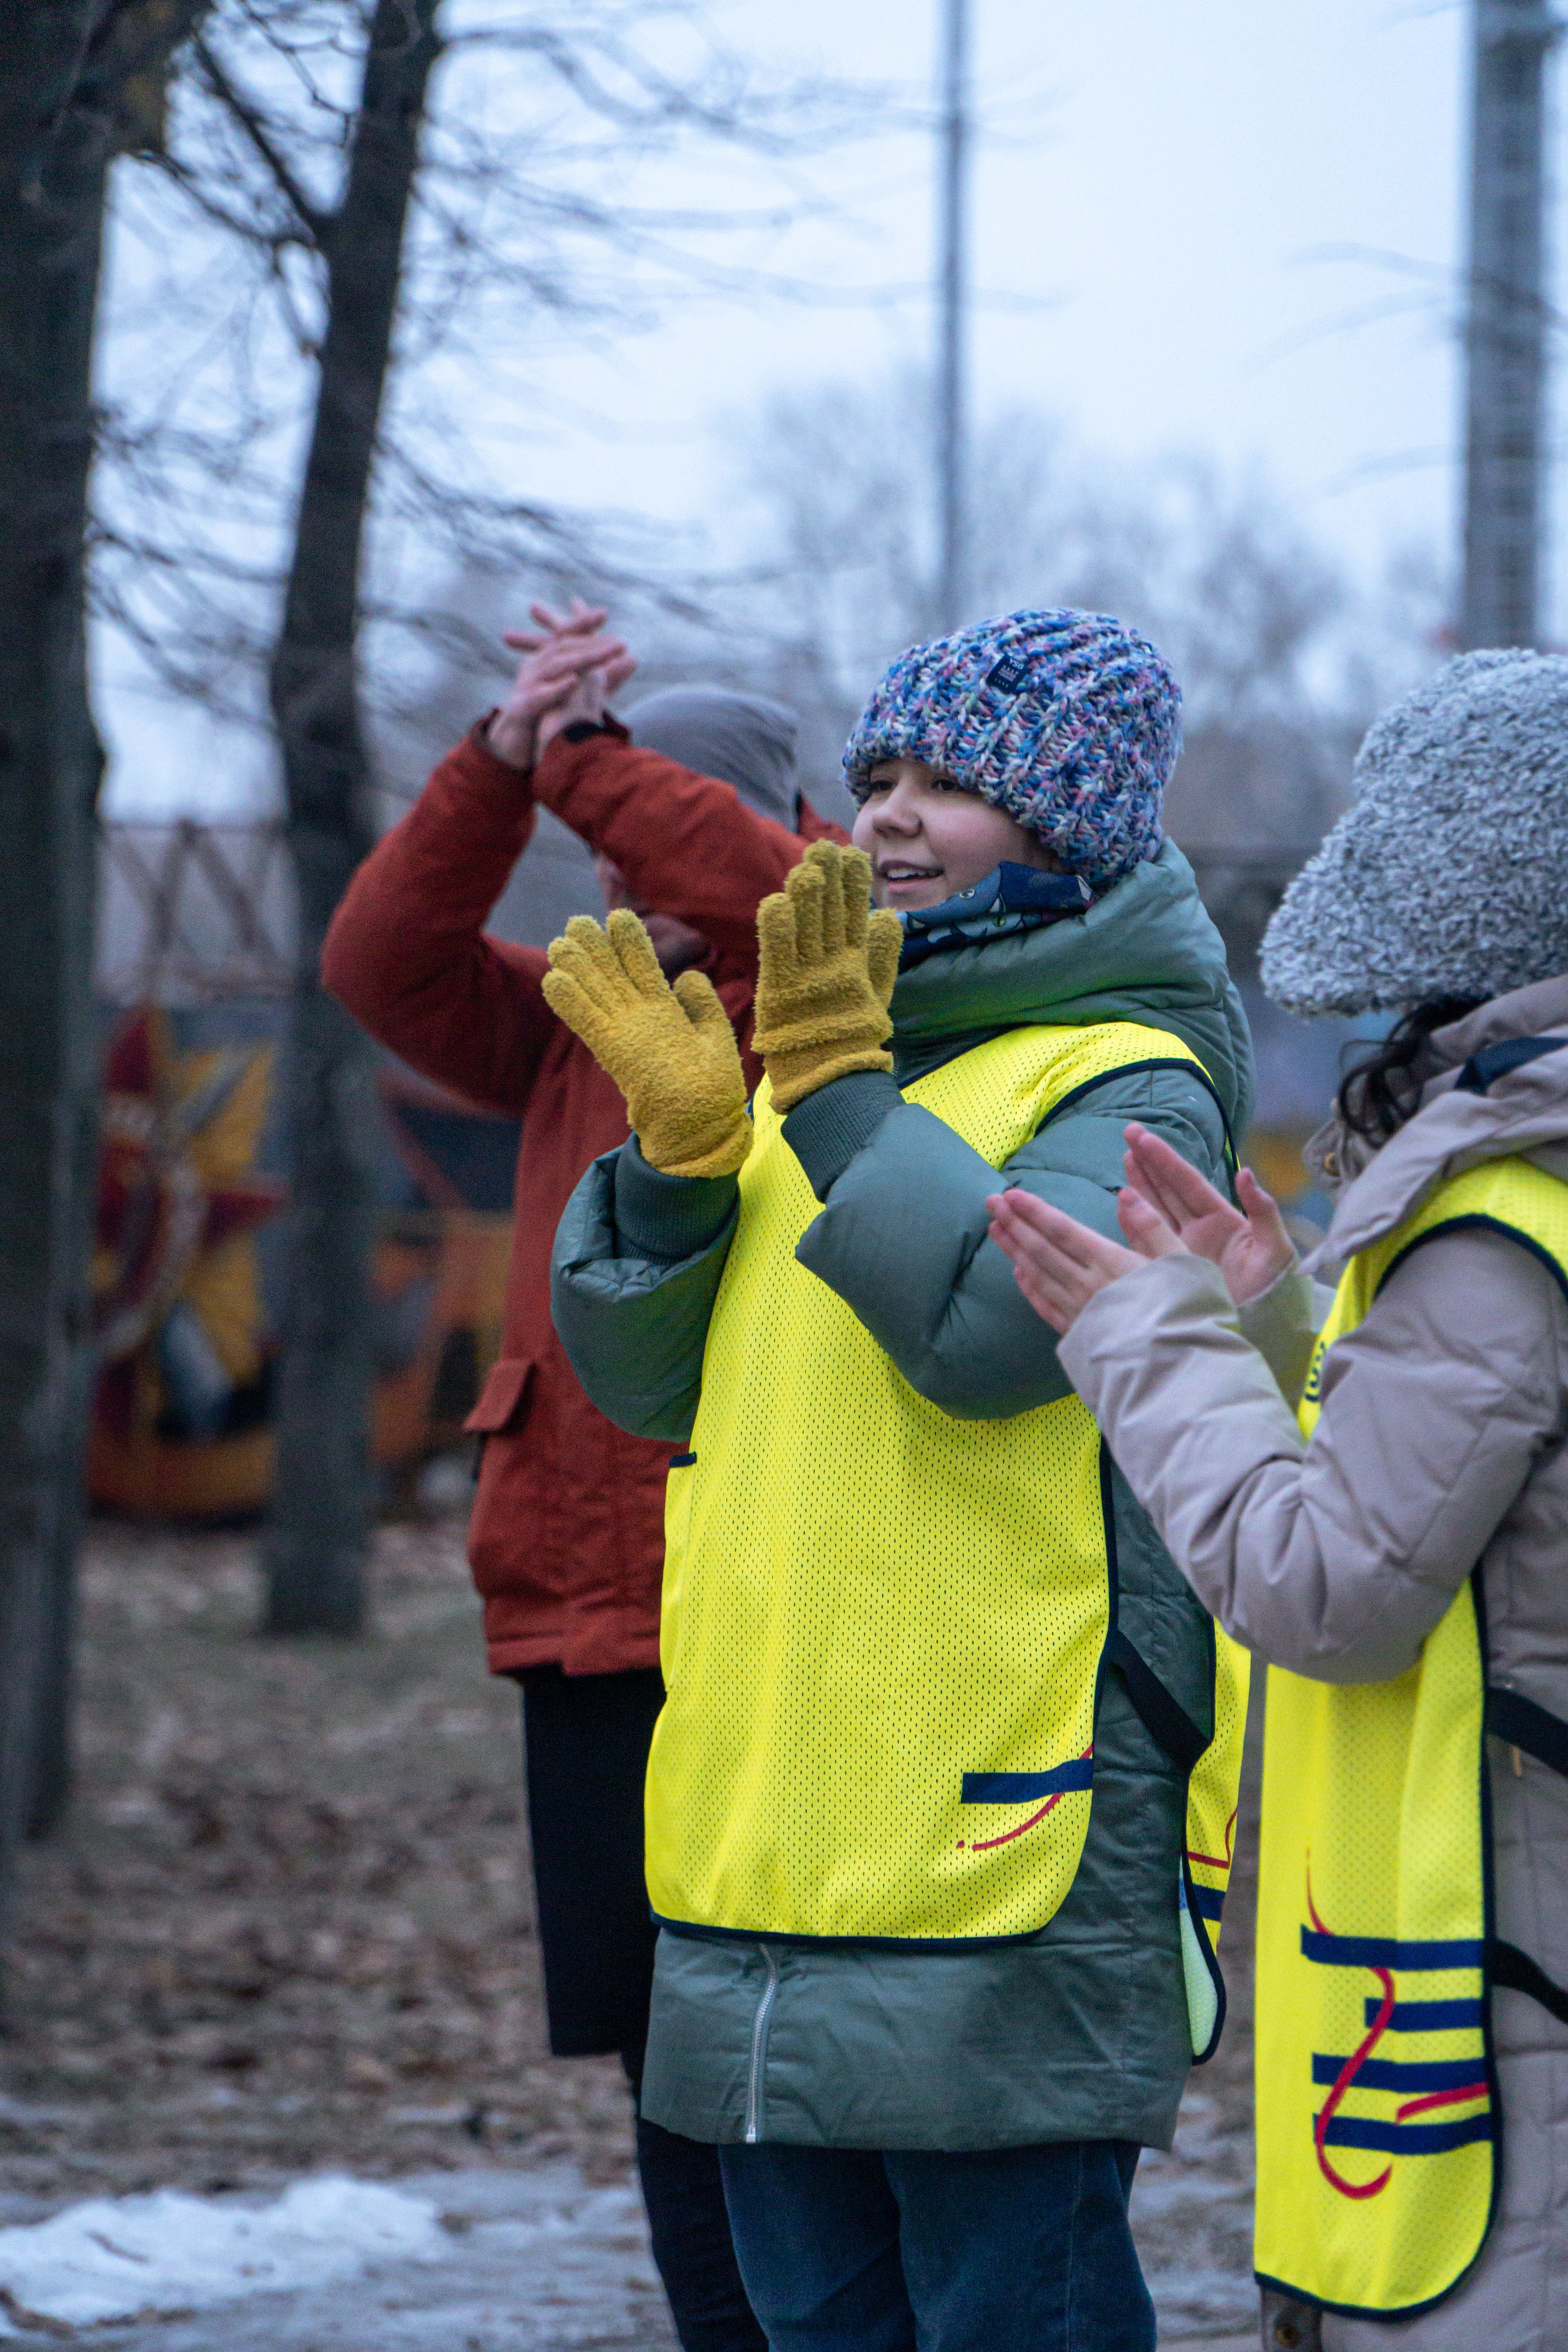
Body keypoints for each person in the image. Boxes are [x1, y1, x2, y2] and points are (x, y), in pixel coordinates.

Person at [545, 608, 1257, 2352]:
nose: (888, 815)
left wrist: (842, 1097)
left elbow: (986, 1338)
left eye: (954, 781)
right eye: (875, 774)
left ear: (1075, 820)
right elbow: (643, 1381)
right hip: (776, 1829)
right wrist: (684, 1168)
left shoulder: (1130, 1074)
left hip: (1000, 1837)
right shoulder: (824, 1054)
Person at [986, 647, 1568, 2351]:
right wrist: (1273, 1326)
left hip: (1491, 2021)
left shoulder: (1493, 1230)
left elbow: (1330, 1588)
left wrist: (1142, 1339)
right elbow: (1479, 1514)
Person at [323, 598, 845, 2352]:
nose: (625, 869)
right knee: (658, 2062)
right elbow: (380, 962)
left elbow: (767, 894)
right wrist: (493, 764)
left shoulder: (831, 985)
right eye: (605, 832)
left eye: (645, 820)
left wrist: (591, 765)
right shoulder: (568, 1026)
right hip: (585, 1625)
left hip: (765, 1610)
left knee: (786, 2049)